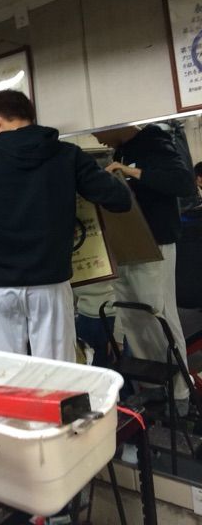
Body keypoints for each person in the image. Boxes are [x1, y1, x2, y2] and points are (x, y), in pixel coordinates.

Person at [0, 90, 131, 362]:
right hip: (50, 283)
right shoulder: (67, 155)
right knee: (55, 369)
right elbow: (119, 200)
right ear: (30, 117)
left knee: (7, 369)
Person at [94, 124, 195, 410]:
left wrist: (132, 172)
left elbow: (183, 183)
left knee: (159, 315)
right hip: (129, 245)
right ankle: (153, 387)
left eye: (98, 131)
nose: (97, 138)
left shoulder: (154, 141)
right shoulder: (122, 151)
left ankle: (179, 393)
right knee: (134, 318)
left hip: (155, 245)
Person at [74, 281, 116, 368]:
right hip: (83, 316)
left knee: (107, 367)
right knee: (89, 368)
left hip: (108, 316)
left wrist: (119, 336)